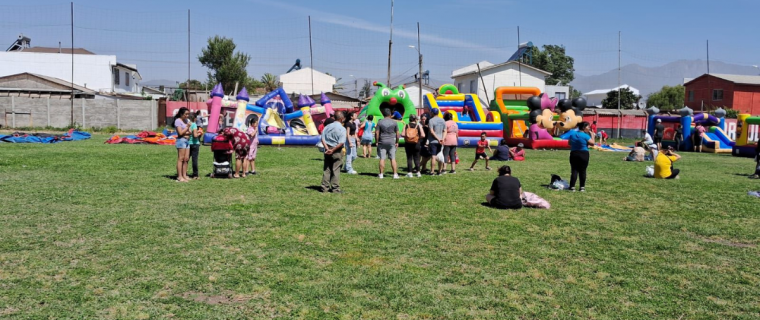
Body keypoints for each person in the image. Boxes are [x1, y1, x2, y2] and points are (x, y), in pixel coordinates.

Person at [321, 112, 347, 193]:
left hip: (327, 149)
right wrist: (332, 150)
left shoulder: (327, 126)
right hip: (336, 150)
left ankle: (324, 187)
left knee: (327, 169)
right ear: (342, 119)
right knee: (336, 169)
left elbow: (322, 138)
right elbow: (341, 142)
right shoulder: (342, 128)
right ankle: (335, 188)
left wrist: (327, 148)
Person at [567, 121, 595, 192]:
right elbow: (592, 143)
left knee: (574, 170)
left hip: (574, 153)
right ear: (583, 127)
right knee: (582, 171)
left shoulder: (573, 134)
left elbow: (569, 143)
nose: (589, 128)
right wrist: (593, 136)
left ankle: (572, 187)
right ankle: (582, 187)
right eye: (588, 126)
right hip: (584, 154)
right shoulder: (586, 135)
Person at [376, 108, 400, 179]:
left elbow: (377, 133)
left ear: (383, 114)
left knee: (382, 158)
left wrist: (377, 141)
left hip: (382, 141)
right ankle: (395, 174)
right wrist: (397, 142)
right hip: (391, 142)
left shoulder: (380, 122)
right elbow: (397, 133)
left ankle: (381, 174)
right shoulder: (394, 122)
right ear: (390, 114)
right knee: (393, 158)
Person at [173, 107, 191, 182]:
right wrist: (187, 127)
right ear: (181, 114)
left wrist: (186, 130)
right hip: (181, 141)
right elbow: (180, 133)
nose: (187, 116)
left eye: (188, 114)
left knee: (186, 159)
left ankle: (184, 175)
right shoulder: (178, 121)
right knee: (181, 158)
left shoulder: (186, 121)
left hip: (187, 141)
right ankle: (179, 176)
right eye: (186, 114)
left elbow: (190, 132)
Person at [427, 109, 446, 175]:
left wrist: (437, 139)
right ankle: (439, 171)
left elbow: (432, 131)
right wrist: (442, 139)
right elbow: (445, 130)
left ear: (432, 113)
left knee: (433, 156)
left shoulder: (431, 120)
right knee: (440, 156)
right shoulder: (442, 120)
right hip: (441, 141)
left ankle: (432, 171)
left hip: (433, 141)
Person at [187, 111, 203, 180]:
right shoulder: (194, 125)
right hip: (195, 144)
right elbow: (195, 135)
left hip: (188, 144)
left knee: (186, 159)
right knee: (194, 160)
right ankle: (195, 175)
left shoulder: (187, 124)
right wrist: (200, 133)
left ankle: (184, 173)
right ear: (195, 118)